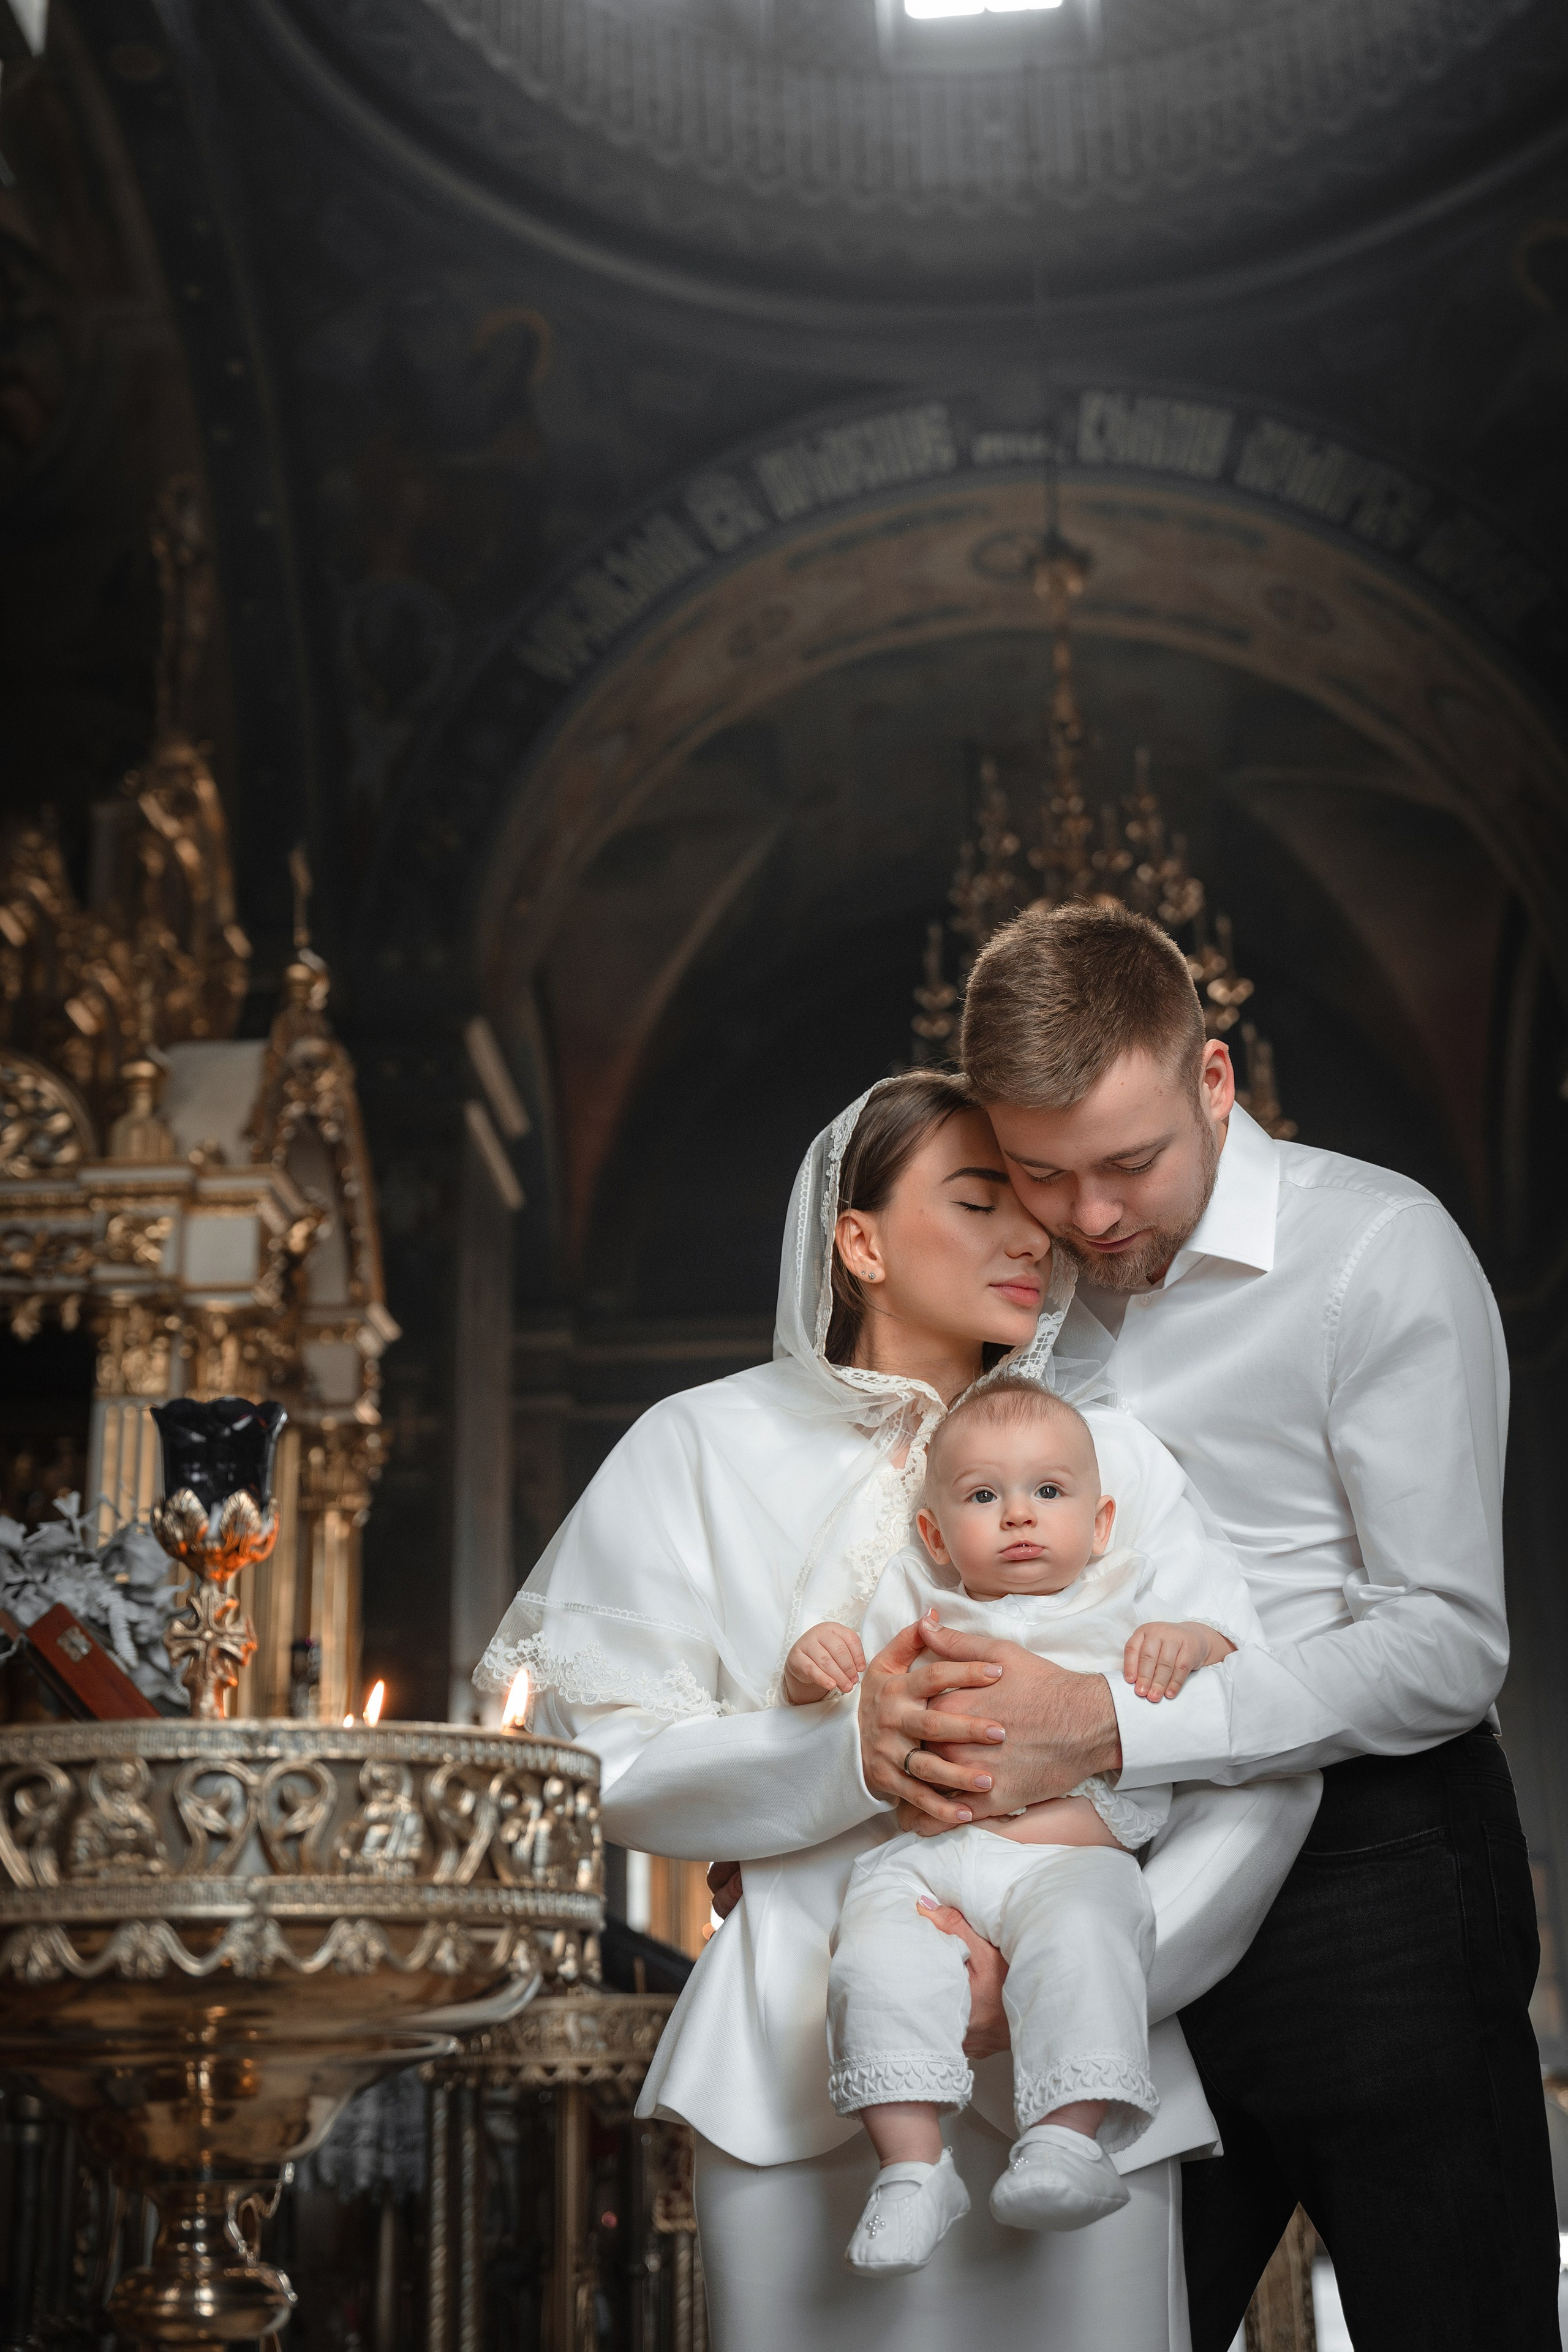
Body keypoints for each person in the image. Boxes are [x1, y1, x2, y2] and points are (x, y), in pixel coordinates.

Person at [480, 1069, 1318, 2352]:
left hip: (1077, 2080)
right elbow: (588, 1753)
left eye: (1031, 1201)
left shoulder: (1115, 1464)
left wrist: (1108, 1977)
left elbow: (1258, 1756)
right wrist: (836, 1752)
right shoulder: (694, 1450)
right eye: (980, 1200)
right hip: (794, 2066)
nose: (1030, 1236)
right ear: (858, 1242)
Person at [845, 899, 1556, 2350]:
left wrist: (1111, 1719)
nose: (1091, 1217)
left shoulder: (1377, 1252)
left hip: (1382, 1871)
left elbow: (1442, 1642)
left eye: (1131, 1162)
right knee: (1105, 2327)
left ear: (1213, 1082)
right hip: (1104, 1883)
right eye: (1041, 1175)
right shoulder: (1029, 1309)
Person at [782, 1379, 1256, 2274]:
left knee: (1090, 1936)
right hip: (932, 1857)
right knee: (872, 1950)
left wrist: (1192, 1642)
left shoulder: (1127, 1600)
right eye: (982, 1496)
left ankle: (1065, 2139)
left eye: (1049, 1491)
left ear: (1101, 1522)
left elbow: (1235, 1664)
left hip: (1067, 1858)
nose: (1019, 1518)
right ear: (934, 1534)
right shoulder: (917, 1605)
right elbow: (850, 1684)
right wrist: (816, 1660)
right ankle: (912, 2166)